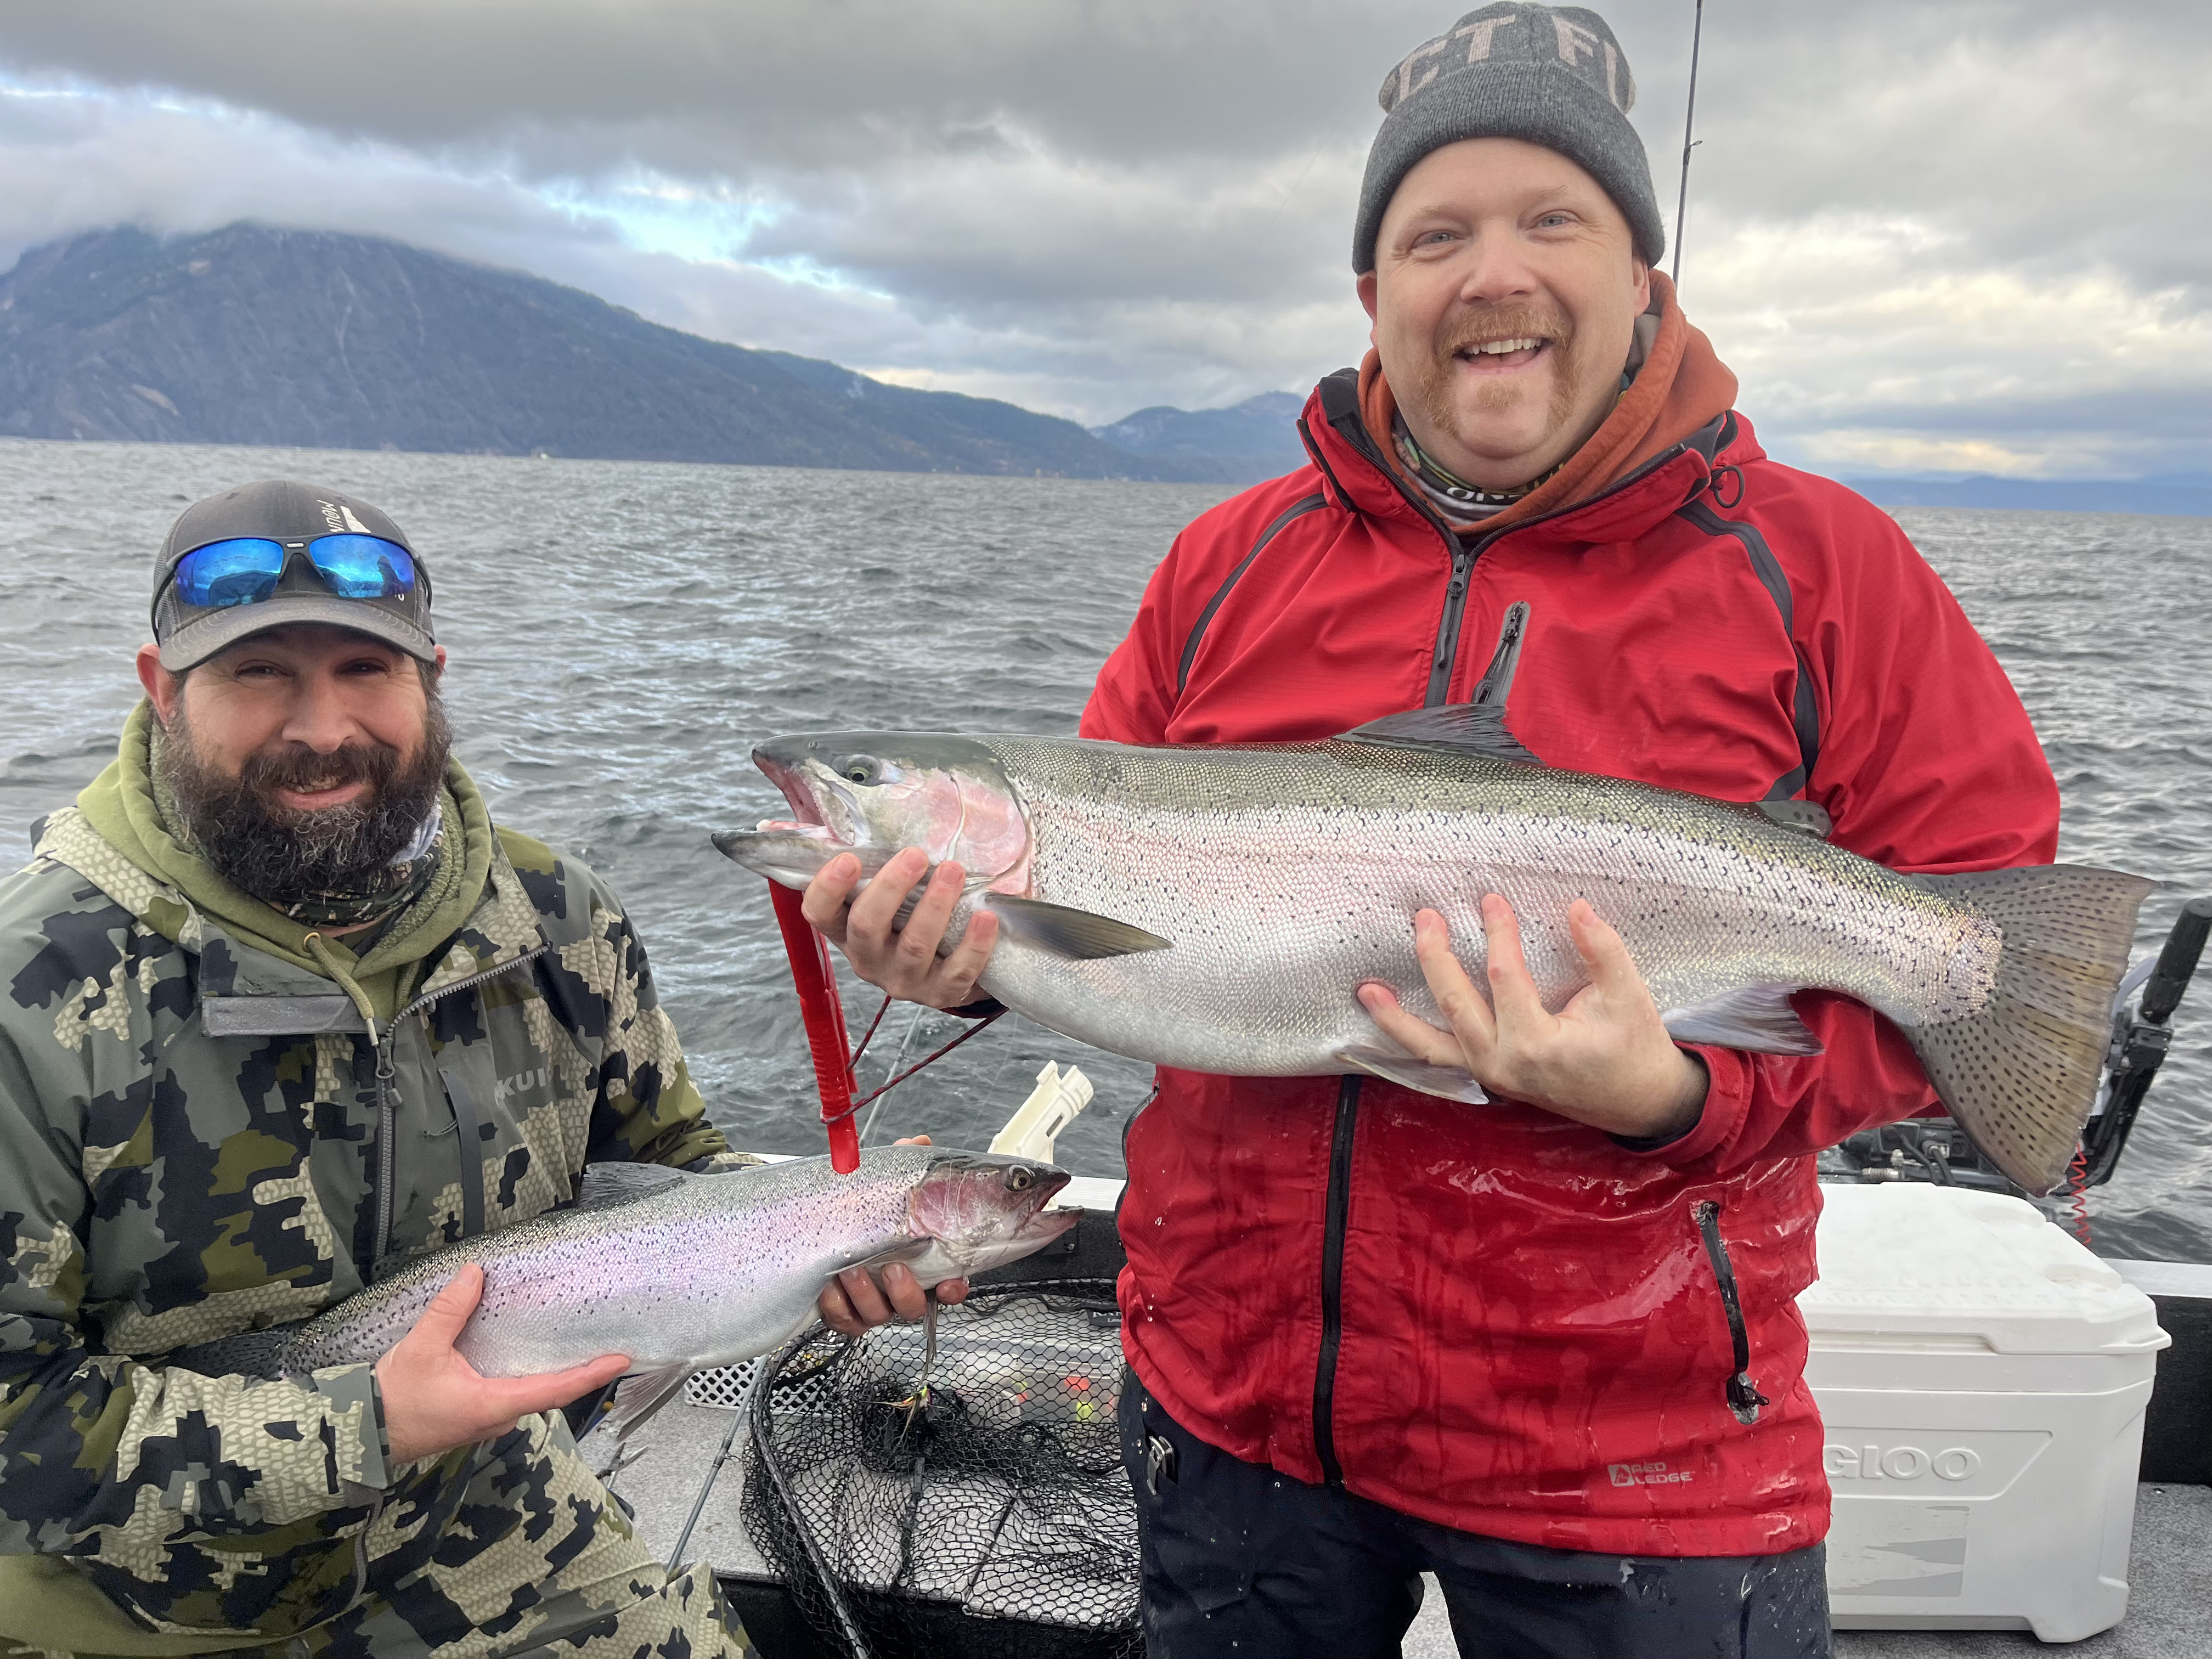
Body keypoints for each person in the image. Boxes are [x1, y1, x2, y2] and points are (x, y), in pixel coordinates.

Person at [800, 7, 2060, 1656]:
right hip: (1234, 1407)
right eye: (1435, 234)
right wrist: (967, 969)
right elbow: (1104, 918)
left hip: (1640, 1449)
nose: (1493, 273)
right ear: (1373, 291)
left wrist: (1681, 1097)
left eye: (1554, 220)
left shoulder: (1824, 573)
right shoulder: (1227, 563)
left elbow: (1974, 949)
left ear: (1645, 277)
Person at [0, 479, 798, 1659]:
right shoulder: (41, 994)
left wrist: (832, 1238)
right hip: (138, 1606)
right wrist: (356, 1426)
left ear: (431, 677)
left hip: (483, 1521)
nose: (323, 728)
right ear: (161, 691)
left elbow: (667, 1170)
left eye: (367, 672)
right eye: (257, 672)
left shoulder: (557, 920)